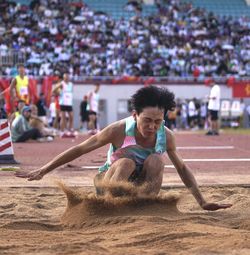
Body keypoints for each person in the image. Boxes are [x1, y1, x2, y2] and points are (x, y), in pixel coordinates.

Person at [15, 86, 232, 211]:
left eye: (158, 121)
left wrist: (202, 201)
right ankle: (112, 207)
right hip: (109, 181)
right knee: (127, 161)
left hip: (139, 185)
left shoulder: (165, 135)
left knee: (157, 161)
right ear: (135, 114)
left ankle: (145, 208)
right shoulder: (118, 130)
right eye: (147, 120)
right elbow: (80, 149)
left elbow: (182, 169)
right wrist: (43, 170)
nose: (152, 126)